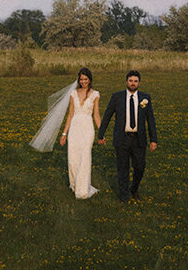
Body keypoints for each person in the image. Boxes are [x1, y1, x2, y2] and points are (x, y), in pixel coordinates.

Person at [97, 69, 157, 202]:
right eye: (130, 81)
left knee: (140, 167)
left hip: (138, 139)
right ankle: (124, 195)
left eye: (135, 81)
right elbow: (107, 116)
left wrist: (154, 140)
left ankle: (134, 189)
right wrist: (100, 134)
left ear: (139, 83)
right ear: (126, 81)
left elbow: (150, 120)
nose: (133, 83)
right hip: (122, 138)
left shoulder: (145, 98)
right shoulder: (117, 97)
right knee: (122, 168)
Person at [57, 67, 100, 199]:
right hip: (75, 128)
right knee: (73, 158)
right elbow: (70, 115)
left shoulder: (95, 94)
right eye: (81, 79)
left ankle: (82, 190)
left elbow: (96, 115)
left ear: (90, 79)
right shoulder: (73, 94)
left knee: (85, 156)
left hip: (87, 128)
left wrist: (101, 132)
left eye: (85, 79)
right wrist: (64, 134)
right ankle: (75, 185)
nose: (83, 81)